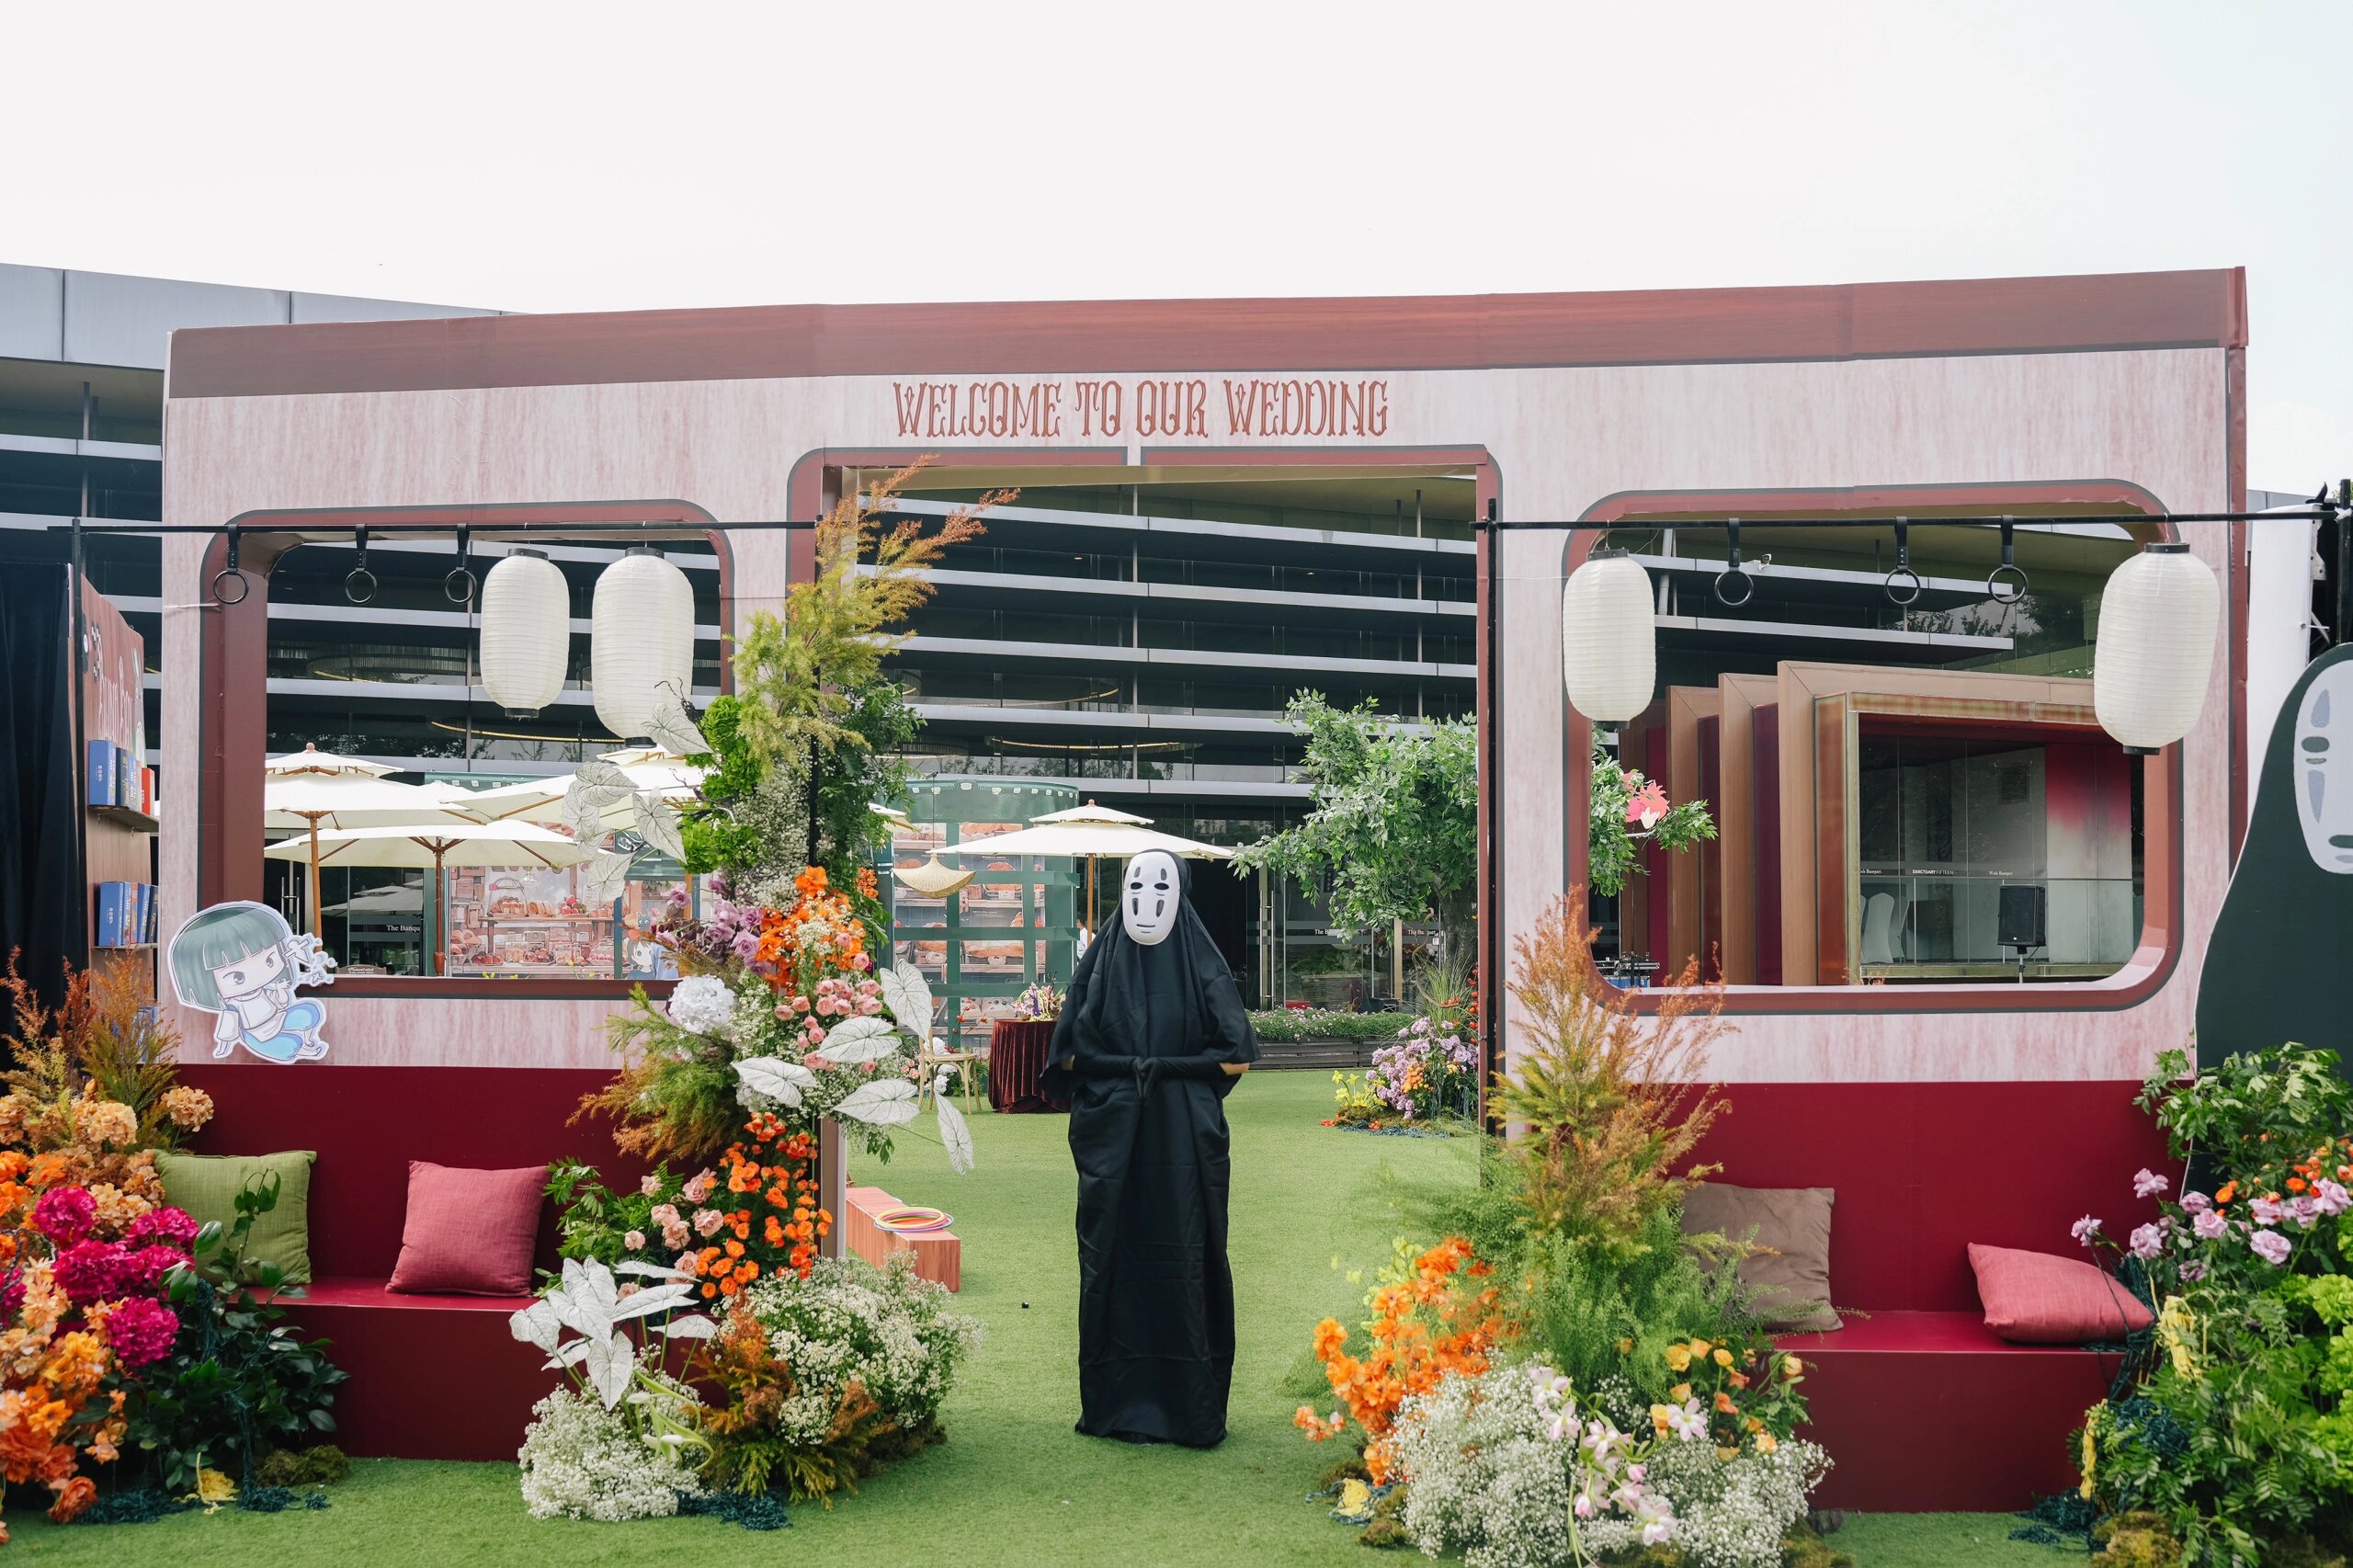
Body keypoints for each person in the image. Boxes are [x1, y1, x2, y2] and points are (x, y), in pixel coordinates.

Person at [1041, 849, 1258, 1447]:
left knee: (1187, 1251)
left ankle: (1189, 1407)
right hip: (1116, 1139)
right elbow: (1067, 1055)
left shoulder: (1200, 961)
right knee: (1112, 1255)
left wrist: (1164, 1069)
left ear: (1180, 892)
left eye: (1161, 886)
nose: (1148, 898)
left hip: (1184, 1138)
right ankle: (1115, 1404)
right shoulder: (1102, 961)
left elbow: (1237, 1056)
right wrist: (1134, 1071)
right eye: (1137, 885)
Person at [166, 900, 332, 1063]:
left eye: (269, 961)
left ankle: (309, 1041)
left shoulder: (265, 990)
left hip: (279, 1018)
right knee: (290, 1047)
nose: (257, 977)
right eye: (237, 977)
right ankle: (303, 1048)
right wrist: (223, 1047)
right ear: (203, 982)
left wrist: (280, 989)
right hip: (257, 1036)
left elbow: (283, 1003)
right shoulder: (234, 1005)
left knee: (310, 1012)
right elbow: (228, 1030)